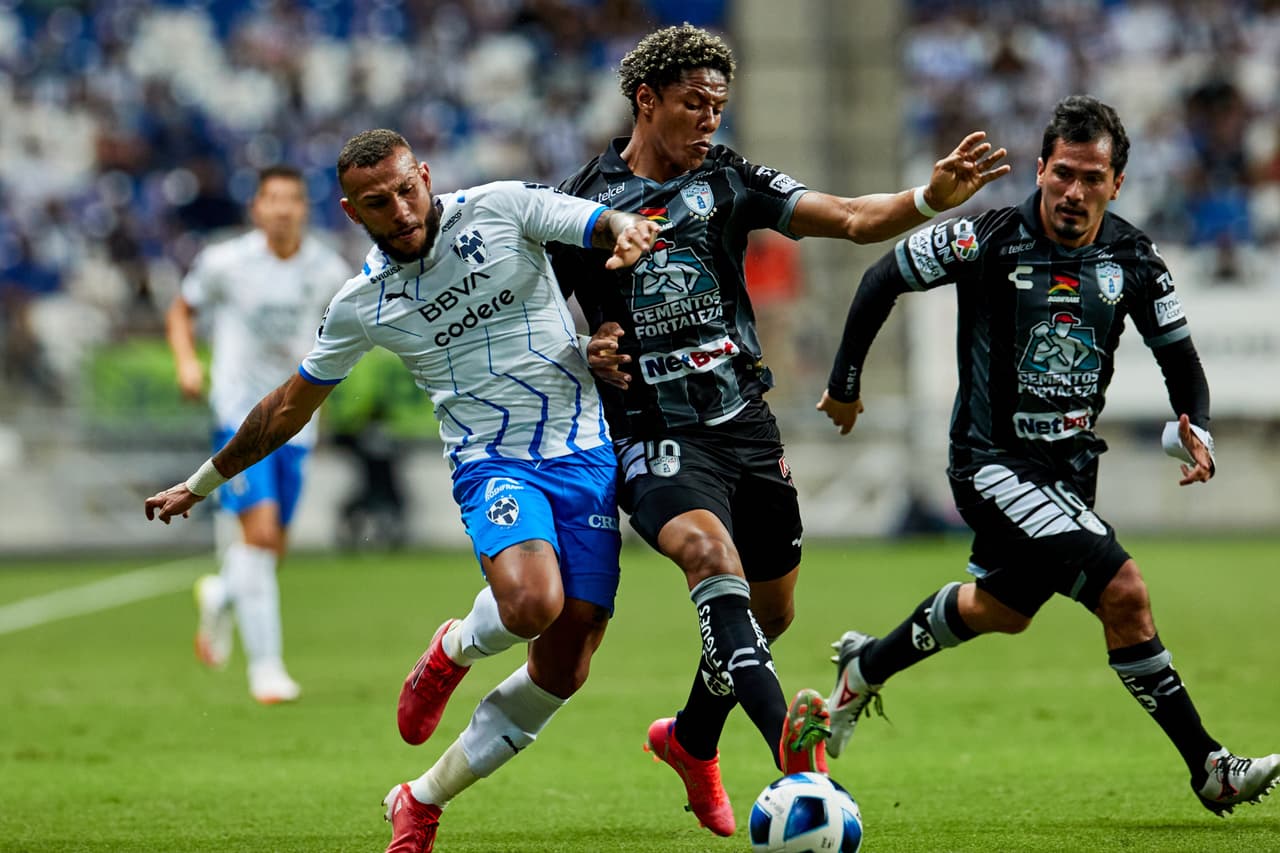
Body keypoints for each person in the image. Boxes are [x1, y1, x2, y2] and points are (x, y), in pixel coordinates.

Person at [548, 23, 1011, 837]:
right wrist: (583, 347)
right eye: (693, 104)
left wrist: (929, 198)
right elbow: (531, 319)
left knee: (769, 612)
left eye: (719, 106)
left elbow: (852, 218)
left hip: (747, 430)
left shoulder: (727, 180)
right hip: (656, 435)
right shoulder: (577, 205)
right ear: (645, 102)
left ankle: (691, 739)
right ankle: (798, 759)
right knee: (706, 556)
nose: (708, 120)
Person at [147, 128, 661, 853]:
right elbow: (286, 407)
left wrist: (625, 229)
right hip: (492, 462)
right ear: (354, 212)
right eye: (376, 201)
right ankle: (453, 647)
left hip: (583, 451)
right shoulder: (363, 302)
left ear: (424, 175)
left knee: (567, 662)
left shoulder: (502, 207)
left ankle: (420, 798)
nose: (400, 208)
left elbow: (590, 221)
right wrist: (200, 484)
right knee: (532, 602)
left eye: (405, 188)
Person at [817, 95, 1280, 816]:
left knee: (1000, 609)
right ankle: (1210, 765)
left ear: (1117, 184)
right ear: (1040, 169)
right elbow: (883, 277)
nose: (1074, 191)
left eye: (1093, 178)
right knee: (1123, 588)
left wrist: (1201, 427)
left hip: (1068, 474)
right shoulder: (985, 238)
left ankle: (866, 665)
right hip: (989, 463)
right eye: (1063, 173)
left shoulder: (1133, 258)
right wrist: (845, 383)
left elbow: (1180, 358)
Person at [165, 165, 350, 704]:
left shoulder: (325, 268)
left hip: (294, 422)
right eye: (272, 199)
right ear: (257, 209)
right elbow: (182, 310)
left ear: (303, 209)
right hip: (238, 415)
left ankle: (220, 594)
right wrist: (186, 364)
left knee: (271, 550)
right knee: (261, 538)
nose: (283, 209)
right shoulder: (226, 262)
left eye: (292, 200)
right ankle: (266, 671)